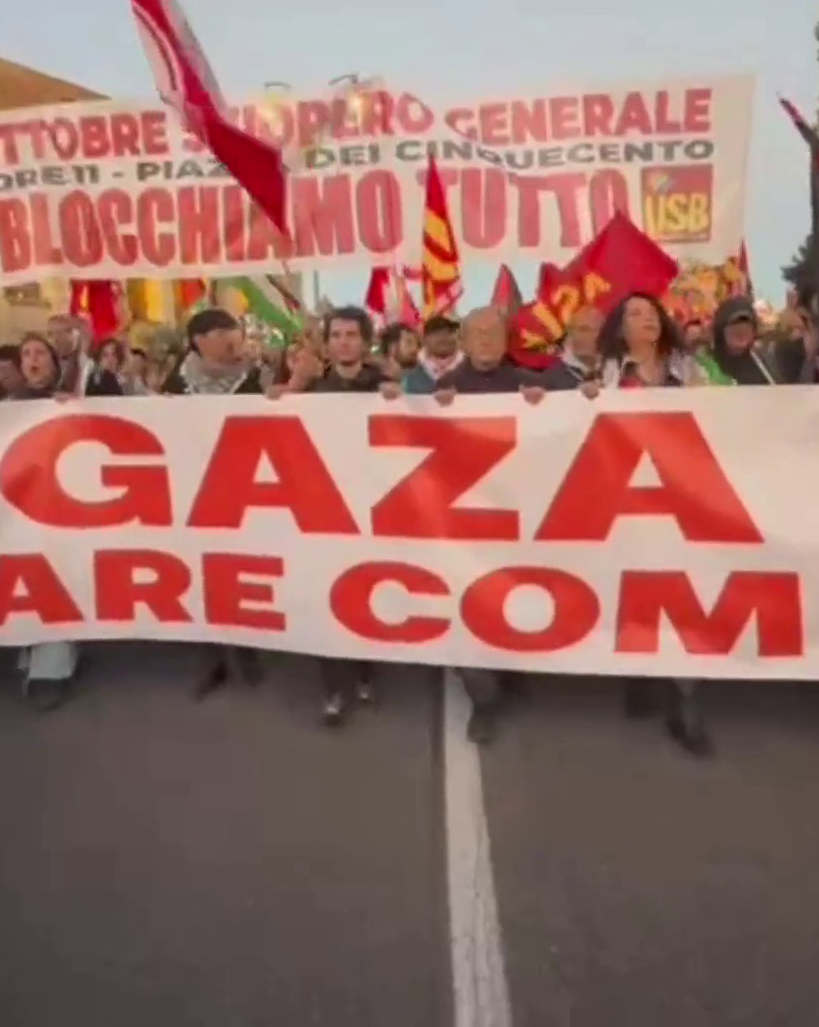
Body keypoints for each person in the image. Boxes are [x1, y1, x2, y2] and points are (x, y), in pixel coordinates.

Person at [432, 308, 570, 744]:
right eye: (477, 333)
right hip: (463, 522)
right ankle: (484, 699)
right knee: (466, 607)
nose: (486, 340)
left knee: (513, 601)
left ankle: (510, 673)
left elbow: (577, 420)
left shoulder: (530, 384)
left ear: (506, 339)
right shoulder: (442, 390)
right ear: (464, 342)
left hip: (518, 519)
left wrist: (555, 404)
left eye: (493, 333)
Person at [584, 293, 714, 755]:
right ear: (619, 329)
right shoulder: (605, 376)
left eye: (652, 312)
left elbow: (730, 414)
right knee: (637, 590)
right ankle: (640, 673)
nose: (647, 319)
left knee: (684, 597)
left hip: (686, 500)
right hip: (630, 505)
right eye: (634, 314)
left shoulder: (693, 371)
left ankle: (686, 702)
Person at [270, 306, 398, 726]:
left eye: (351, 335)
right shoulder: (312, 390)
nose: (344, 342)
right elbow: (275, 419)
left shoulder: (385, 386)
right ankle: (331, 687)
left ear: (366, 342)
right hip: (322, 510)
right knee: (325, 596)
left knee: (365, 594)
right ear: (326, 344)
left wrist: (406, 400)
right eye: (336, 335)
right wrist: (286, 391)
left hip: (371, 508)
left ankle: (364, 672)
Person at [166, 309, 267, 694]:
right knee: (201, 576)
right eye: (222, 330)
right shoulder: (176, 382)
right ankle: (210, 658)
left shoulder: (259, 377)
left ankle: (247, 648)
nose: (232, 337)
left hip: (246, 492)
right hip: (193, 493)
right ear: (199, 340)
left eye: (234, 329)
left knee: (241, 573)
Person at [0, 334, 83, 711]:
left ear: (54, 362)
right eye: (26, 354)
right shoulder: (0, 407)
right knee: (25, 578)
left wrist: (74, 409)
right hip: (15, 507)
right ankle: (34, 651)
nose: (32, 359)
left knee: (56, 577)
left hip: (61, 505)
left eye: (40, 353)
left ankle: (53, 666)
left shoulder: (72, 401)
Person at [706, 296, 781, 385]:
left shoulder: (766, 363)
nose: (741, 331)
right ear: (721, 330)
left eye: (747, 325)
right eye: (735, 324)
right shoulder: (706, 365)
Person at [555, 304, 605, 384]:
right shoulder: (549, 377)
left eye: (586, 330)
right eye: (573, 330)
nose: (579, 336)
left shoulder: (617, 372)